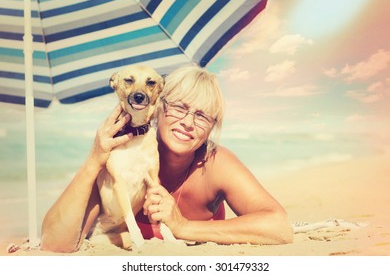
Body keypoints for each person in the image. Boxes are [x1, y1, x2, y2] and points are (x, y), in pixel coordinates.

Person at [40, 64, 293, 253]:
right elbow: (54, 243)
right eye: (180, 107)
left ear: (213, 126)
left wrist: (184, 227)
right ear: (159, 106)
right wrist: (94, 160)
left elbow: (279, 227)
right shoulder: (124, 159)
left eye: (203, 116)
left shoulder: (215, 163)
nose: (188, 123)